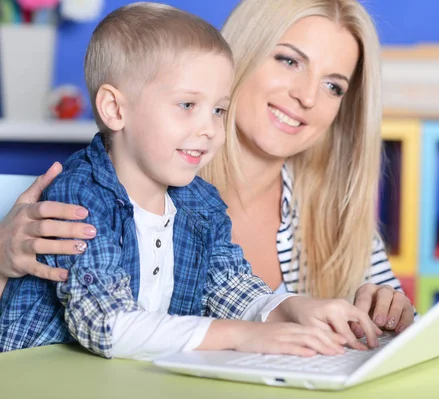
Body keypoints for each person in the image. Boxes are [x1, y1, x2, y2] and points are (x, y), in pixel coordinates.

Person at [0, 0, 415, 338]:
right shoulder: (128, 184)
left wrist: (391, 318)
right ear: (236, 59)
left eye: (333, 86)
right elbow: (96, 319)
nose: (307, 96)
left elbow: (236, 290)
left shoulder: (337, 218)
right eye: (289, 61)